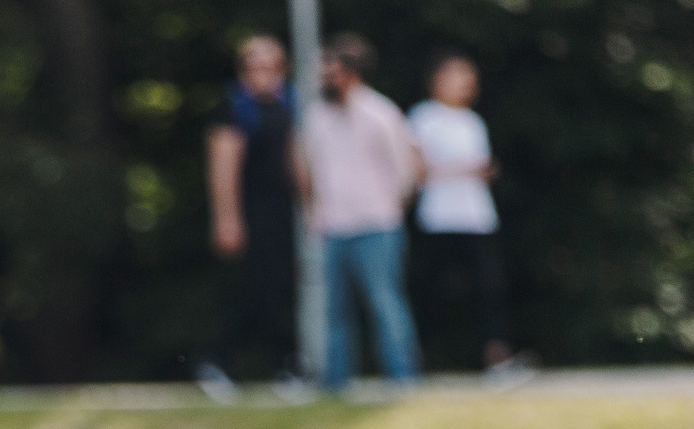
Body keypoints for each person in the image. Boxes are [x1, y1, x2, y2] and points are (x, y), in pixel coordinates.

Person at [301, 35, 422, 389]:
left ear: (351, 72)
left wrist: (389, 208)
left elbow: (405, 170)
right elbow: (309, 168)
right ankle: (335, 383)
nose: (324, 77)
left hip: (377, 223)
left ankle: (403, 378)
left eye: (331, 70)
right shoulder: (315, 116)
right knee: (333, 311)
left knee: (386, 304)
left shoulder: (381, 113)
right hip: (331, 225)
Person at [202, 35, 305, 392]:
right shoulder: (234, 107)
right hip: (249, 211)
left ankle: (285, 365)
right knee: (250, 289)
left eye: (269, 66)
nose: (261, 74)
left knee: (280, 288)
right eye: (253, 66)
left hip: (283, 212)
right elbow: (223, 170)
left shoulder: (291, 103)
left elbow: (297, 161)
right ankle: (218, 361)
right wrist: (227, 219)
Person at [409, 52, 516, 374]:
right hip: (438, 218)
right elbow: (417, 172)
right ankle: (417, 361)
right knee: (431, 293)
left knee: (489, 290)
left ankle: (497, 358)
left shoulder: (473, 121)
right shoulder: (422, 117)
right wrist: (466, 169)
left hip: (477, 218)